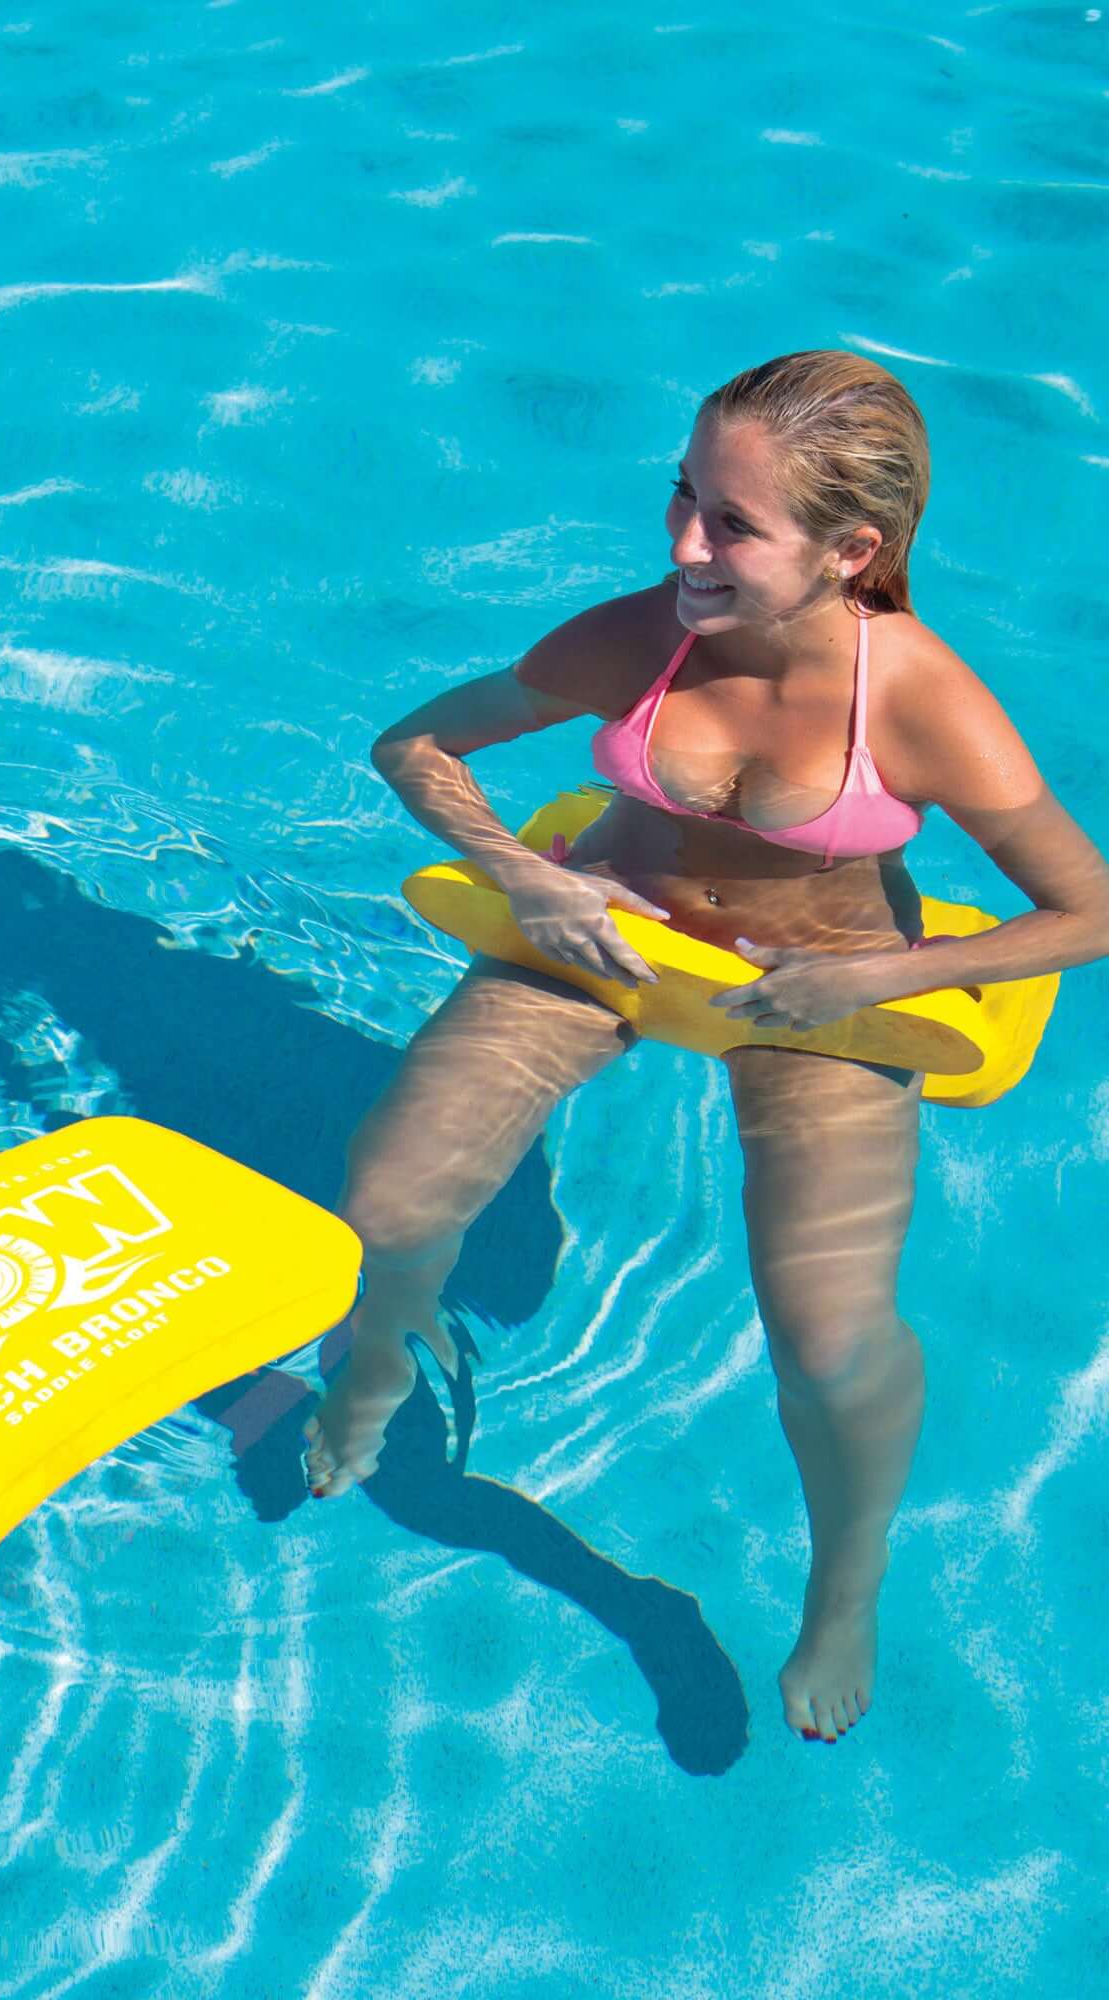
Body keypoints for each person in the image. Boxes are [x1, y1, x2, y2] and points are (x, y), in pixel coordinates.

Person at [303, 350, 1109, 1743]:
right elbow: (416, 745)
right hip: (613, 932)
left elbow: (1086, 913)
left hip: (824, 993)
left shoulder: (918, 701)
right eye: (682, 495)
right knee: (387, 1201)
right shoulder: (643, 633)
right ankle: (377, 1356)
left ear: (851, 550)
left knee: (832, 1341)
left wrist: (895, 972)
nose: (683, 542)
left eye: (731, 524)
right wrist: (533, 875)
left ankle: (844, 1587)